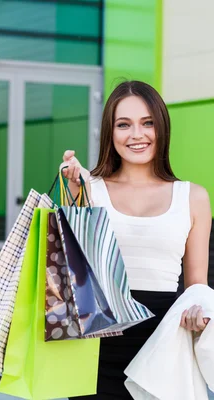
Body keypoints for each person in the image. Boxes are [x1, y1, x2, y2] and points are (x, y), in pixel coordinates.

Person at [61, 81, 211, 399]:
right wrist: (73, 193)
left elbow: (195, 285)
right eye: (123, 124)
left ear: (162, 127)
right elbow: (74, 276)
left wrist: (200, 312)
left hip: (164, 349)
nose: (136, 135)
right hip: (94, 348)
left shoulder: (193, 196)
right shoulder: (89, 188)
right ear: (109, 132)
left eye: (147, 123)